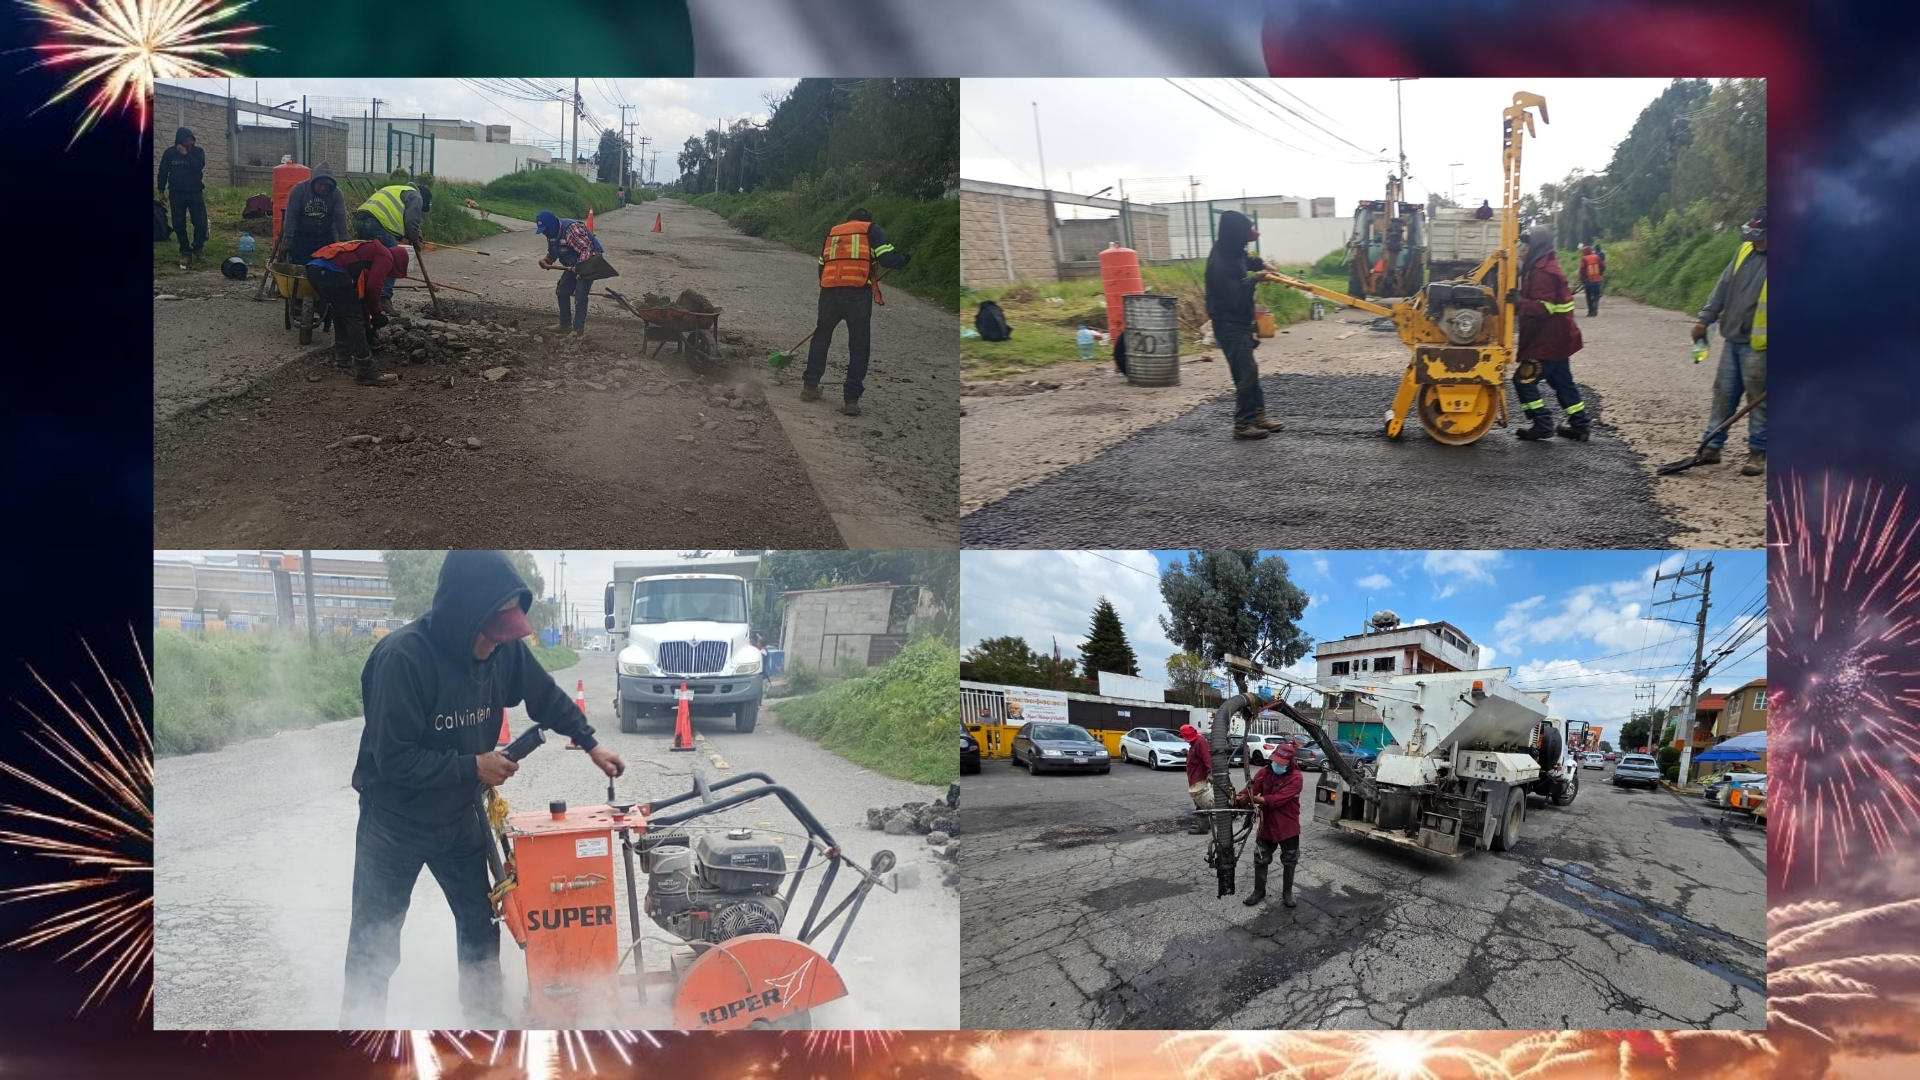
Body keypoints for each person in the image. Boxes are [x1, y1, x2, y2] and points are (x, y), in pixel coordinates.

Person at [340, 551, 626, 1028]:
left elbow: (544, 695)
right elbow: (394, 761)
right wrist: (473, 765)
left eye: (504, 637)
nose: (496, 647)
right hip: (394, 824)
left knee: (479, 926)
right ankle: (355, 1037)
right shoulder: (402, 659)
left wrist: (590, 741)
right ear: (461, 617)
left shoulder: (502, 650)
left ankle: (485, 1030)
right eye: (490, 635)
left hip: (459, 818)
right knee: (374, 942)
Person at [802, 207, 911, 416]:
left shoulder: (834, 232)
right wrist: (904, 259)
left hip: (829, 293)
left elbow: (821, 265)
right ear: (867, 220)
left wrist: (832, 287)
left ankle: (809, 387)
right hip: (857, 295)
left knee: (821, 338)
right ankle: (851, 400)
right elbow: (888, 259)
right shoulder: (872, 230)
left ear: (848, 220)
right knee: (859, 346)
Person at [1693, 205, 1767, 476]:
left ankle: (1757, 453)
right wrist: (1705, 319)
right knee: (1723, 393)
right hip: (1732, 337)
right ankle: (1711, 447)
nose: (1755, 240)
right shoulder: (1745, 250)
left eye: (1762, 235)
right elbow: (1722, 287)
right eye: (1754, 233)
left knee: (1757, 400)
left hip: (1762, 346)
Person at [1510, 222, 1589, 442]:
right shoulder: (1542, 266)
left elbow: (1544, 307)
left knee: (1524, 380)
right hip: (1558, 339)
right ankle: (1580, 425)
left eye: (1526, 247)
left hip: (1549, 341)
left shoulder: (1542, 272)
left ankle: (1542, 423)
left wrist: (1519, 303)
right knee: (1563, 382)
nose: (1523, 251)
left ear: (1537, 247)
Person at [1208, 210, 1281, 439]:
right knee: (1246, 373)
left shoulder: (1232, 251)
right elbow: (1234, 295)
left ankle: (1258, 415)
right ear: (1235, 234)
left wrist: (1263, 265)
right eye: (1245, 234)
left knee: (1251, 371)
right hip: (1228, 322)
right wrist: (1255, 280)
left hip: (1239, 320)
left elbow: (1247, 260)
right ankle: (1242, 424)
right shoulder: (1220, 264)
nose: (1248, 239)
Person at [305, 239, 409, 386]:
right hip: (333, 273)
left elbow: (362, 298)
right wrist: (377, 314)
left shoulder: (370, 251)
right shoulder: (386, 257)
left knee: (341, 312)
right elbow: (373, 287)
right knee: (353, 318)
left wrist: (370, 318)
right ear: (398, 264)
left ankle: (343, 357)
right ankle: (367, 372)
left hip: (315, 270)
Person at [1234, 741, 1304, 907]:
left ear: (1289, 763)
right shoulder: (1264, 772)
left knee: (1290, 859)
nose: (1276, 764)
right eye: (1275, 760)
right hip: (1267, 824)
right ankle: (1259, 891)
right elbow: (1252, 788)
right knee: (1261, 857)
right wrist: (1242, 796)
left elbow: (1275, 800)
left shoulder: (1296, 778)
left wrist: (1252, 799)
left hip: (1287, 825)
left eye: (1280, 763)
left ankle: (1287, 893)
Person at [354, 181, 432, 304]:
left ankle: (363, 297)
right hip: (377, 223)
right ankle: (383, 298)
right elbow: (412, 221)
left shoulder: (398, 189)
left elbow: (396, 218)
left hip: (360, 220)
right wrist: (415, 239)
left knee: (369, 261)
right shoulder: (416, 196)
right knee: (392, 259)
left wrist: (409, 234)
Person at [534, 211, 604, 339]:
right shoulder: (552, 233)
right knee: (562, 290)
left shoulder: (571, 229)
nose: (545, 233)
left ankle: (578, 330)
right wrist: (547, 260)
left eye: (545, 230)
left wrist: (578, 268)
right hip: (573, 264)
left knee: (580, 294)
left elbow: (586, 249)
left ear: (552, 225)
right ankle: (565, 324)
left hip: (591, 260)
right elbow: (555, 250)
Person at [276, 161, 348, 268]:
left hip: (325, 237)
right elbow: (291, 217)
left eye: (327, 186)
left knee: (325, 268)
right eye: (320, 184)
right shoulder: (299, 190)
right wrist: (287, 241)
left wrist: (344, 242)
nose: (323, 188)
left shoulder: (336, 195)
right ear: (313, 181)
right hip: (301, 237)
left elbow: (340, 218)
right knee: (300, 268)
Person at [157, 127, 208, 270]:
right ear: (180, 141)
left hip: (195, 192)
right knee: (179, 224)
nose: (189, 143)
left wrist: (185, 154)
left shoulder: (198, 152)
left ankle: (198, 248)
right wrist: (161, 191)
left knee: (201, 223)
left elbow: (198, 167)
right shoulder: (170, 153)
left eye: (191, 140)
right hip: (176, 193)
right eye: (186, 141)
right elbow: (163, 172)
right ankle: (186, 252)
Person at [1178, 724, 1213, 834]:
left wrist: (1211, 773)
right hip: (1194, 779)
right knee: (1199, 803)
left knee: (1200, 802)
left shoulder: (1200, 742)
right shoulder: (1194, 743)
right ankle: (1204, 823)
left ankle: (1202, 827)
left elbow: (1207, 759)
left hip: (1200, 780)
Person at [1579, 243, 1605, 317]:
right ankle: (1595, 307)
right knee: (1596, 295)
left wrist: (1582, 279)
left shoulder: (1584, 259)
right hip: (1597, 281)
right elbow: (1603, 266)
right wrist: (1599, 273)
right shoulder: (1597, 257)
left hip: (1588, 282)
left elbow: (1582, 270)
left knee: (1589, 297)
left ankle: (1591, 311)